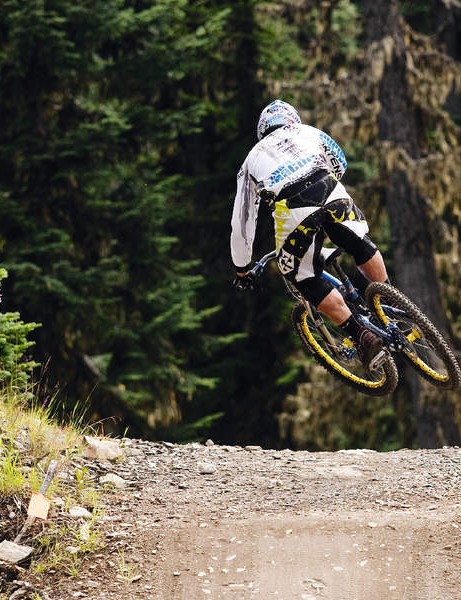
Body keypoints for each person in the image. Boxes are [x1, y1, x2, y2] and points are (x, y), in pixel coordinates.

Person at [230, 99, 389, 368]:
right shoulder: (309, 131)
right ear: (292, 119)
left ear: (262, 131)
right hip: (330, 187)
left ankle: (361, 335)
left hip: (294, 207)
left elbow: (243, 220)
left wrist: (242, 267)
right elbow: (340, 160)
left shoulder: (251, 160)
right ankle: (390, 303)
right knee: (359, 242)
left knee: (302, 276)